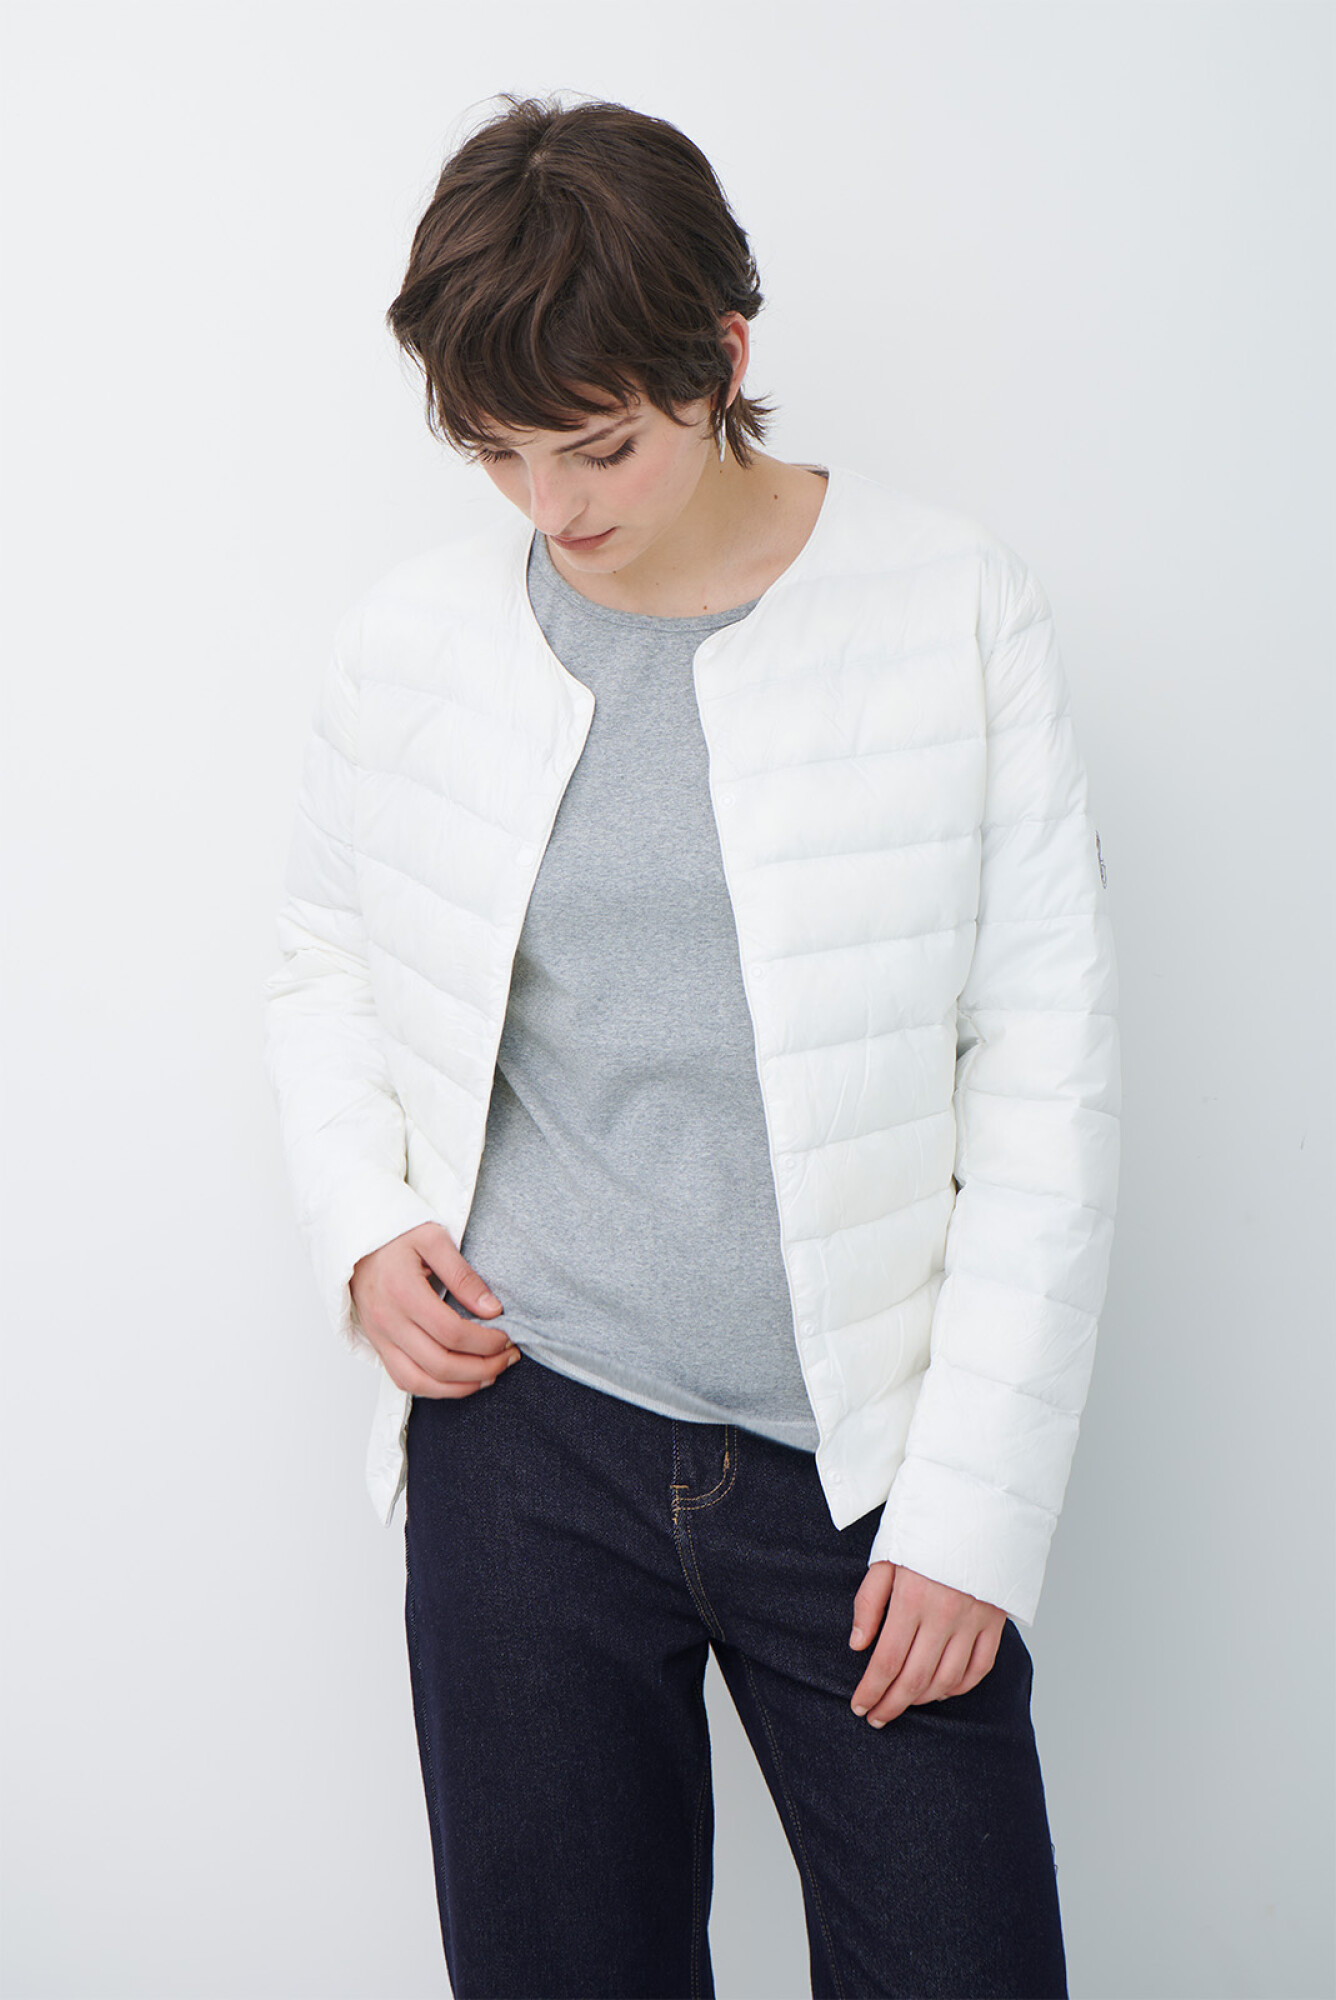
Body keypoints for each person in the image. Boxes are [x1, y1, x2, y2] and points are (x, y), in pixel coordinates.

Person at [263, 91, 1119, 2000]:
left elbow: (1045, 1081)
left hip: (865, 1466)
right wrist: (364, 1225)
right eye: (498, 454)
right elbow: (324, 956)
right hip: (527, 1441)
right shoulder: (413, 643)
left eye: (599, 447)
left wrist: (974, 1511)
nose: (553, 507)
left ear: (724, 359)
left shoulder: (952, 610)